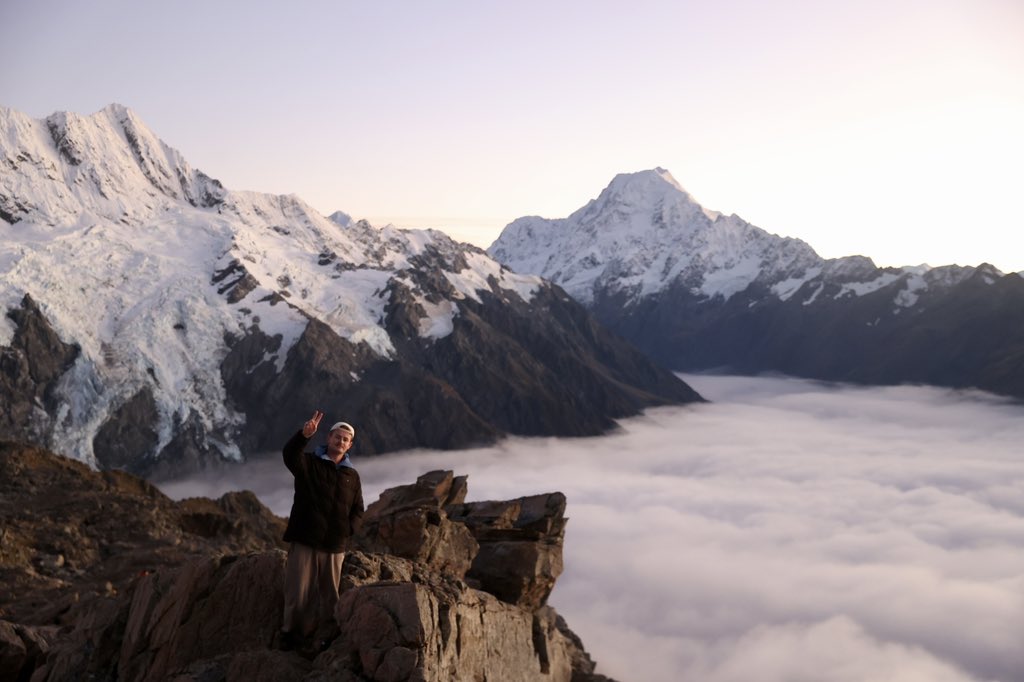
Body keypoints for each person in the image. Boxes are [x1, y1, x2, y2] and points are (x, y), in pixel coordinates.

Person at [279, 410, 364, 650]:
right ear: (328, 438)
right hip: (306, 538)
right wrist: (302, 436)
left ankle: (329, 635)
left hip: (335, 544)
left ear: (350, 445)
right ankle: (291, 635)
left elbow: (358, 508)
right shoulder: (309, 463)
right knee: (299, 591)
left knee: (330, 595)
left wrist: (348, 530)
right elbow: (289, 455)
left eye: (345, 439)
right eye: (337, 437)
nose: (340, 442)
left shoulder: (351, 476)